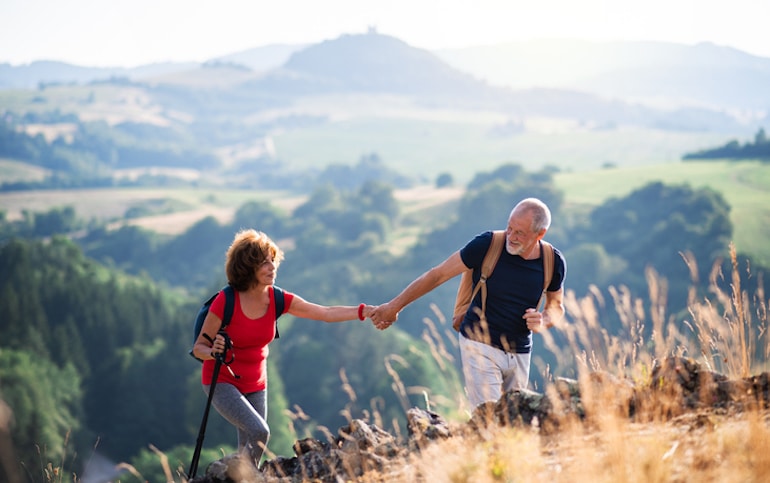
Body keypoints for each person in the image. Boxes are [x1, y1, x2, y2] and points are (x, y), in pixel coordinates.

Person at [192, 228, 374, 467]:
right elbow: (198, 348)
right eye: (264, 263)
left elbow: (325, 313)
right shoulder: (226, 301)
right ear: (247, 267)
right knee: (260, 432)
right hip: (223, 382)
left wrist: (364, 312)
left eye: (272, 261)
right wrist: (214, 353)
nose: (272, 267)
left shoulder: (278, 299)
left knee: (252, 450)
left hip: (257, 384)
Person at [370, 198, 566, 409]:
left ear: (540, 234)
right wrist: (394, 306)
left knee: (514, 424)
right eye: (510, 227)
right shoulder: (487, 245)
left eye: (520, 233)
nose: (511, 236)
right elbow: (438, 275)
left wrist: (544, 320)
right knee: (488, 419)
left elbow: (556, 307)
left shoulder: (552, 261)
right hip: (479, 344)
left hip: (520, 352)